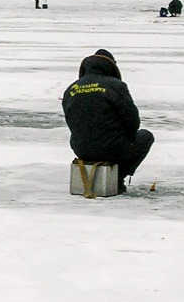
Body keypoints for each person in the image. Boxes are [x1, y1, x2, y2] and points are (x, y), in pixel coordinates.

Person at [62, 49, 154, 194]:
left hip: (81, 149)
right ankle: (117, 177)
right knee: (146, 136)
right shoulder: (115, 86)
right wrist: (127, 138)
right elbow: (132, 120)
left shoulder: (72, 89)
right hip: (113, 148)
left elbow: (70, 120)